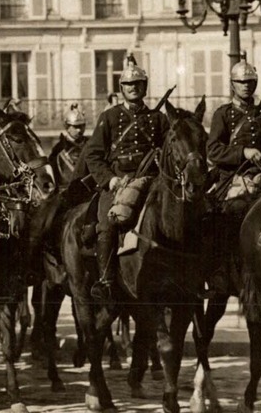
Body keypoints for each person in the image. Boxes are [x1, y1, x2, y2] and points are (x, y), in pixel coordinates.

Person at [83, 54, 170, 301]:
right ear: (122, 89)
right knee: (108, 223)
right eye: (129, 85)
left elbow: (168, 153)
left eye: (138, 84)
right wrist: (109, 179)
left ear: (144, 87)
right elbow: (93, 155)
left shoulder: (158, 119)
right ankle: (106, 279)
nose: (134, 88)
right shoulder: (109, 117)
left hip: (151, 181)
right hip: (119, 181)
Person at [206, 60, 261, 201]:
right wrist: (243, 152)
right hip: (232, 180)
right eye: (240, 82)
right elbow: (213, 150)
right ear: (232, 84)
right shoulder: (223, 114)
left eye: (249, 82)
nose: (245, 85)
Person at [49, 104, 88, 188]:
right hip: (66, 190)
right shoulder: (58, 148)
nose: (79, 130)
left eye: (82, 126)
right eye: (75, 126)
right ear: (67, 127)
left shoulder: (90, 144)